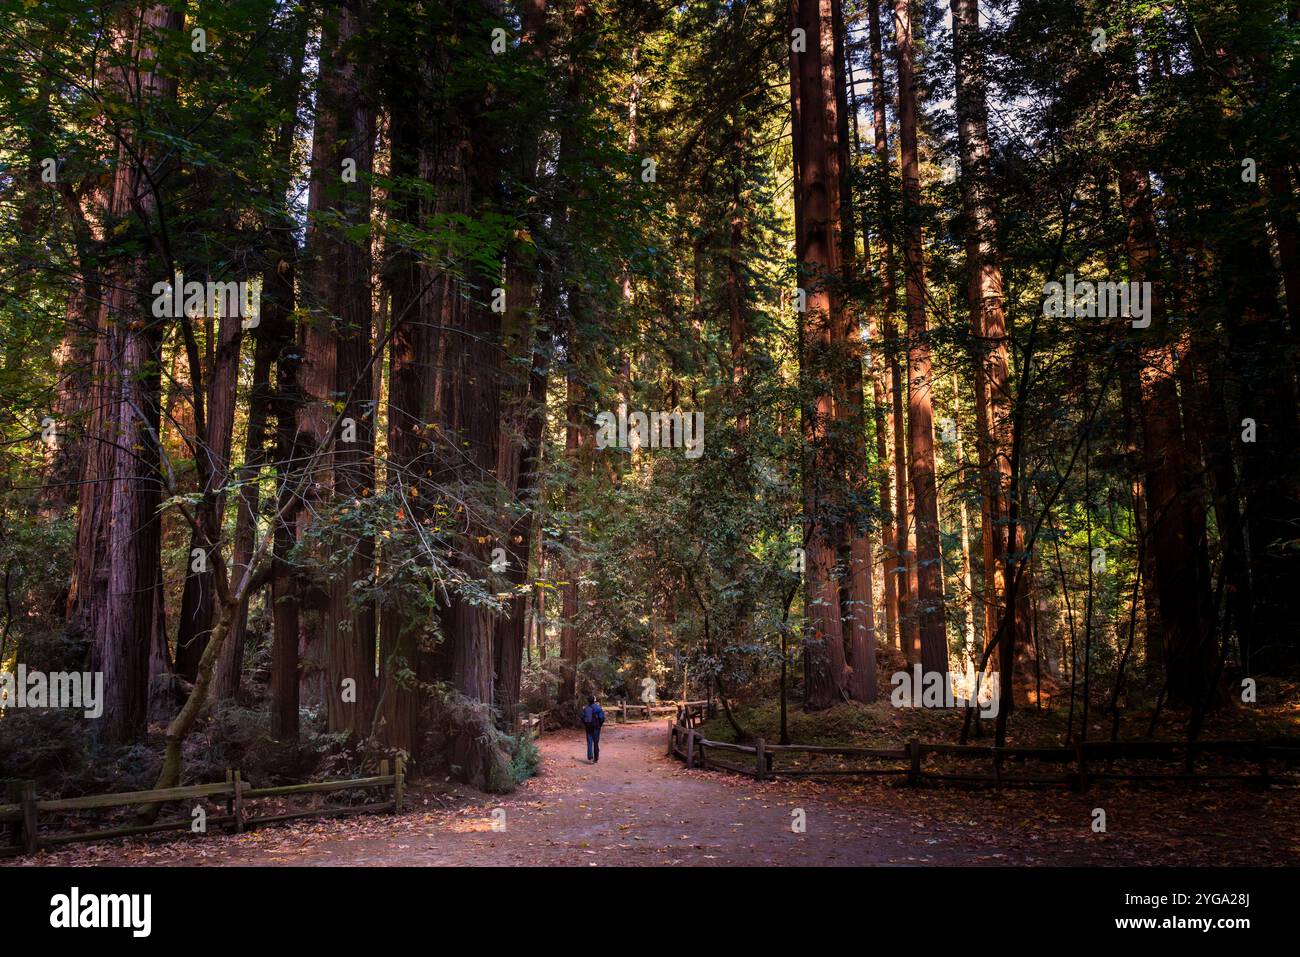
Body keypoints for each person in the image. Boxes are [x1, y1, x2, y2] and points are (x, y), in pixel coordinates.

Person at [581, 695, 606, 763]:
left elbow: (582, 717)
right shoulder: (598, 708)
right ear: (594, 700)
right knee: (596, 742)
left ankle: (590, 757)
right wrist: (600, 725)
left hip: (588, 727)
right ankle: (596, 757)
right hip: (596, 727)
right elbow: (602, 718)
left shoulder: (585, 708)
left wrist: (586, 724)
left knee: (589, 742)